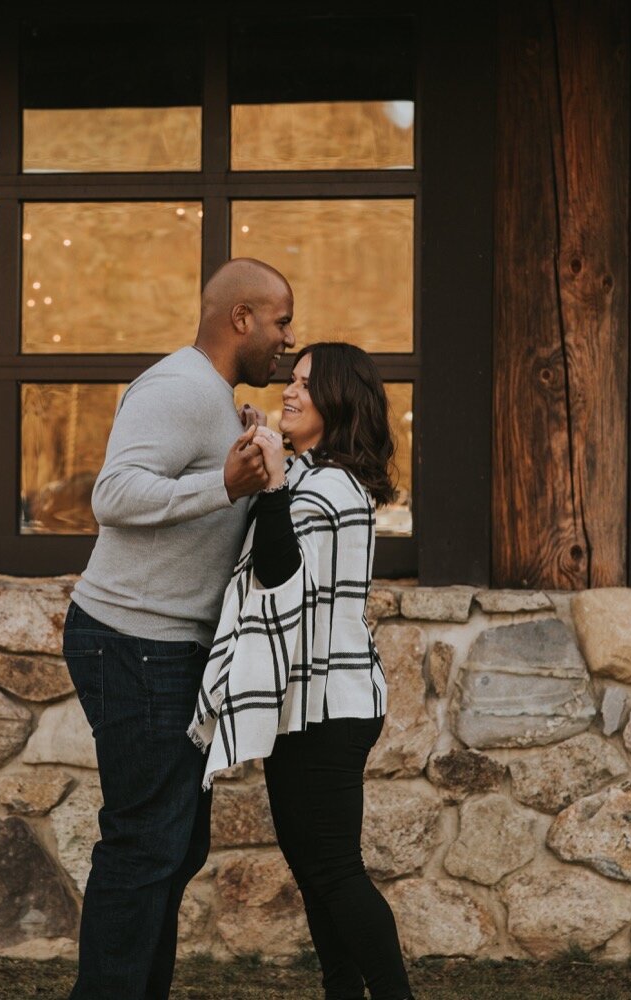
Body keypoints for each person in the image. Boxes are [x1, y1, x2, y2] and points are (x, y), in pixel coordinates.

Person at [62, 258, 295, 1000]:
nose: (288, 340)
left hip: (164, 647)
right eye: (281, 322)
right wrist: (225, 483)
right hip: (134, 643)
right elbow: (116, 493)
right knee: (144, 846)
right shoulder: (178, 388)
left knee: (172, 844)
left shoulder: (215, 401)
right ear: (240, 319)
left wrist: (246, 450)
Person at [190, 343, 413, 1000]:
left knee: (335, 871)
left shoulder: (331, 486)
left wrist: (275, 480)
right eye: (292, 378)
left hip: (330, 705)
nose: (290, 389)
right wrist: (268, 462)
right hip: (306, 702)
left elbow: (279, 573)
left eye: (306, 384)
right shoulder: (312, 474)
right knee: (316, 872)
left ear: (338, 401)